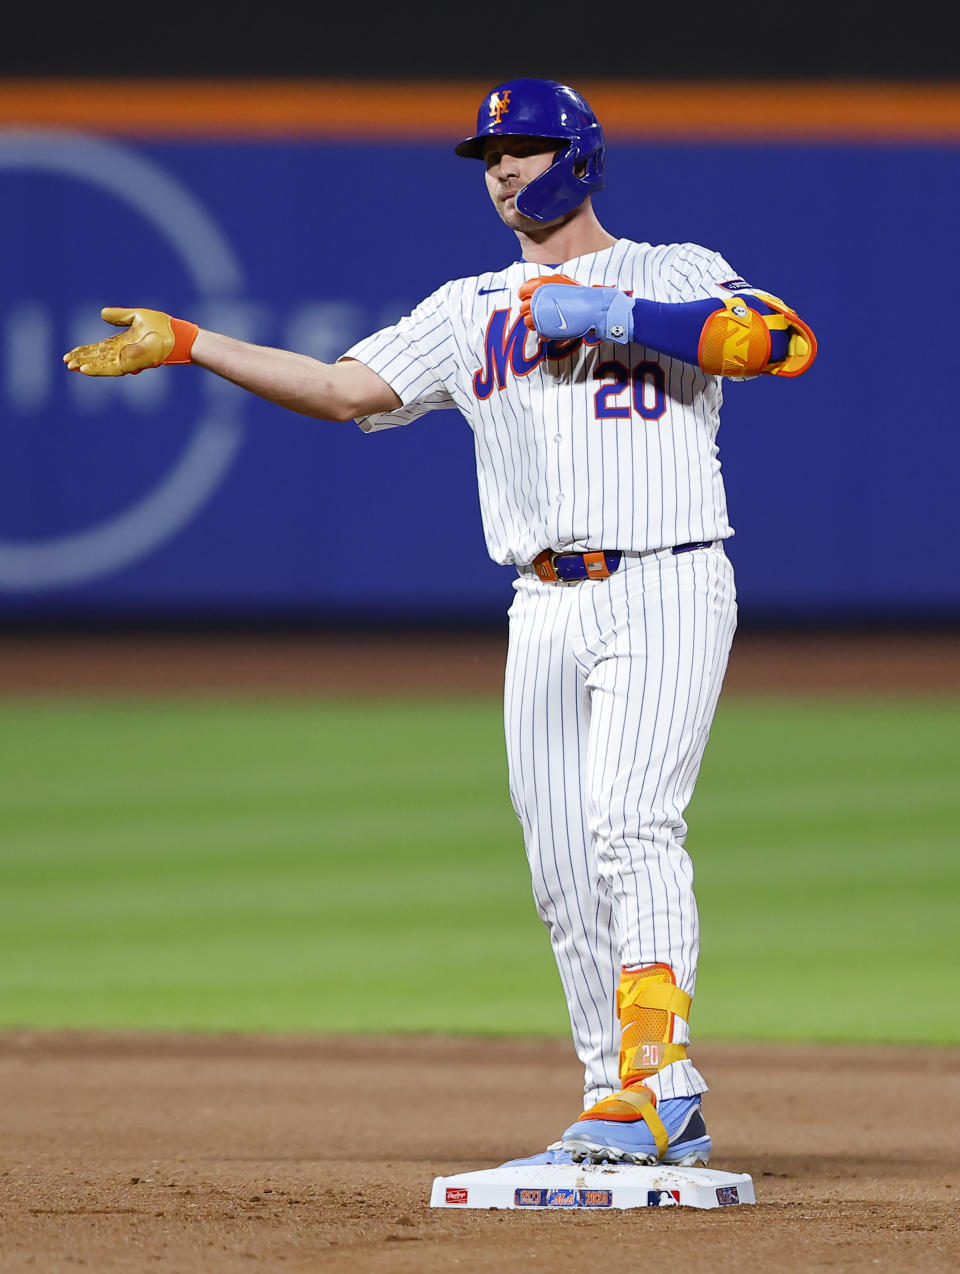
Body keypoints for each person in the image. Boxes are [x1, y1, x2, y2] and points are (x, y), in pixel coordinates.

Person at [63, 78, 816, 1169]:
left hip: (664, 577)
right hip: (540, 602)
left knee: (629, 824)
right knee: (562, 864)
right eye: (489, 154)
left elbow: (782, 343)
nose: (503, 168)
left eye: (523, 146)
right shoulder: (469, 306)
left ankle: (667, 1079)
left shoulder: (671, 269)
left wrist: (613, 315)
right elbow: (341, 387)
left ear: (582, 157)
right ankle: (616, 1095)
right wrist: (191, 341)